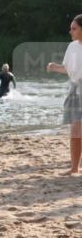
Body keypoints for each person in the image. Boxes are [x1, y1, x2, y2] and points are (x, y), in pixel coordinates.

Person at [46, 14, 82, 176]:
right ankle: (74, 168)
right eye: (70, 28)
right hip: (75, 91)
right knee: (75, 130)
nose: (70, 31)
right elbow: (68, 70)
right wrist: (54, 67)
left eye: (74, 28)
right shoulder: (72, 47)